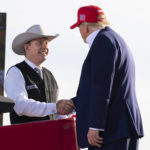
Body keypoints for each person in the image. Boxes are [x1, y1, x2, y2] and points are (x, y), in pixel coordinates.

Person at [59, 5, 144, 150]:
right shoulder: (114, 39)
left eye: (79, 27)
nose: (80, 32)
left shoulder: (103, 42)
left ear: (85, 27)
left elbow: (102, 86)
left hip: (111, 130)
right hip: (120, 127)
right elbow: (106, 86)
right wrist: (74, 103)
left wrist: (95, 125)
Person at [4, 24, 74, 124]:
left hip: (50, 136)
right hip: (26, 137)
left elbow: (55, 113)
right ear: (27, 47)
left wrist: (67, 112)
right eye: (40, 43)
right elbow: (20, 106)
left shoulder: (50, 76)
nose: (45, 47)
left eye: (46, 43)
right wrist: (56, 107)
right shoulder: (16, 72)